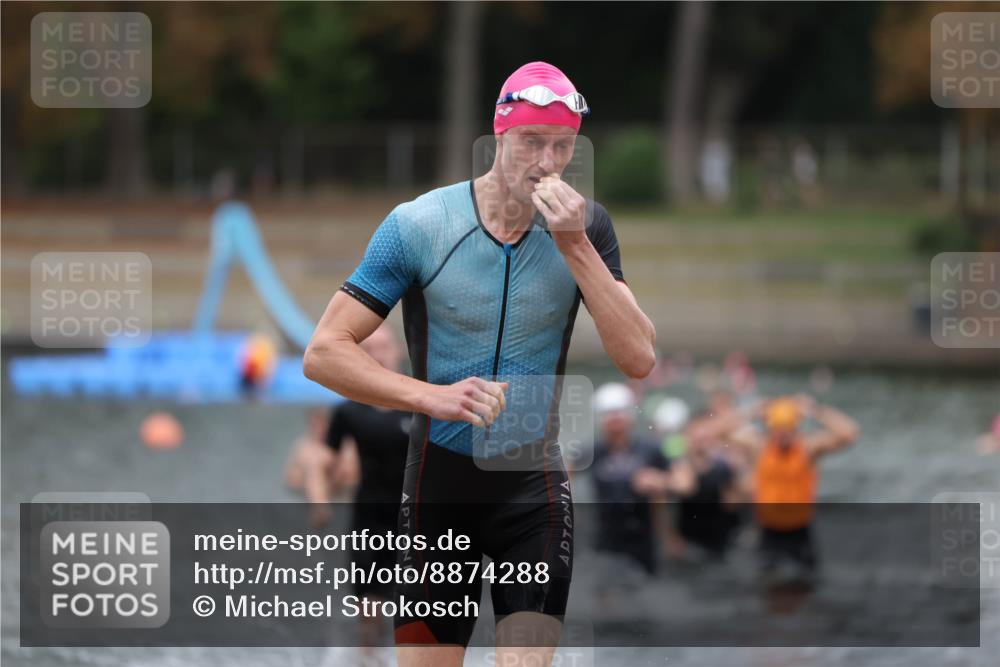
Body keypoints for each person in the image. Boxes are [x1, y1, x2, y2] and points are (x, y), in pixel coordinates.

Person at [304, 61, 656, 667]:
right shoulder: (421, 225)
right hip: (438, 484)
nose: (547, 162)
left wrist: (574, 246)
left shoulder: (589, 228)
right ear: (499, 135)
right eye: (531, 142)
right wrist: (429, 397)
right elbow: (323, 353)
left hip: (533, 489)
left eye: (563, 146)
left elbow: (639, 357)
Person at [324, 324, 411, 656]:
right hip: (369, 513)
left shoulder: (422, 402)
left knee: (416, 597)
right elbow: (323, 461)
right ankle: (368, 655)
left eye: (384, 347)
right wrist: (320, 499)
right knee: (368, 596)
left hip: (414, 514)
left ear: (398, 351)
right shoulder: (349, 411)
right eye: (370, 349)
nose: (379, 355)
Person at [725, 394, 859, 578]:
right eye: (778, 428)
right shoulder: (759, 446)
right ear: (770, 428)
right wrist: (752, 411)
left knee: (807, 585)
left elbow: (849, 433)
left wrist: (815, 410)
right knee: (768, 586)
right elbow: (718, 432)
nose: (782, 433)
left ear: (795, 427)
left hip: (800, 531)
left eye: (787, 428)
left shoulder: (808, 448)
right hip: (769, 531)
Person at [590, 383, 682, 576]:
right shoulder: (592, 451)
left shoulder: (650, 448)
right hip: (606, 538)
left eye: (620, 414)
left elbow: (684, 482)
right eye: (609, 415)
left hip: (645, 539)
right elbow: (561, 476)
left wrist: (661, 480)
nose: (616, 422)